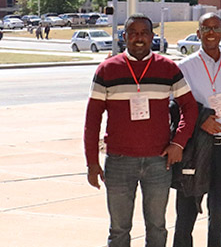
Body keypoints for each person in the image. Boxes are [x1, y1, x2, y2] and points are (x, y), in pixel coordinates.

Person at [84, 14, 199, 247]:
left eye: (144, 33)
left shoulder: (167, 68)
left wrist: (178, 143)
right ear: (124, 36)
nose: (139, 38)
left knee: (157, 228)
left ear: (152, 37)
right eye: (133, 33)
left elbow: (190, 107)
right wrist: (92, 162)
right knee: (118, 230)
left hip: (158, 162)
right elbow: (92, 119)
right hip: (119, 162)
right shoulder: (107, 70)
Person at [173, 13, 221, 247]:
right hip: (195, 147)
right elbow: (174, 104)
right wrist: (201, 119)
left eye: (215, 28)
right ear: (198, 33)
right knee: (187, 207)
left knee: (218, 208)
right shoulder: (184, 67)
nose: (211, 33)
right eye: (205, 28)